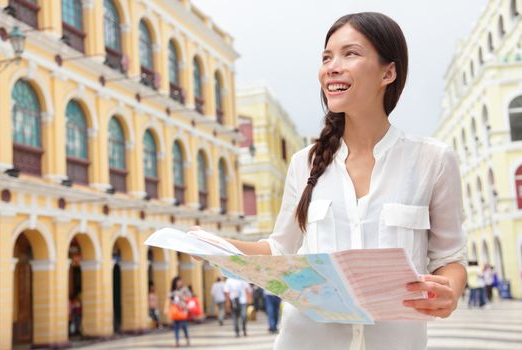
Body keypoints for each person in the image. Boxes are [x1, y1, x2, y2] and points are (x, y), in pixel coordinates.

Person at [198, 12, 468, 350]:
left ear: (389, 71)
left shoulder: (433, 160)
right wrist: (217, 247)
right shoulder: (304, 163)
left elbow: (449, 258)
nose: (332, 66)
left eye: (350, 54)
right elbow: (280, 248)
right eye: (327, 57)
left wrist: (449, 290)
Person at [170, 276, 191, 347]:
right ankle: (177, 342)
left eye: (180, 281)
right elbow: (169, 298)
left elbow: (189, 296)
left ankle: (187, 338)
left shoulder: (184, 289)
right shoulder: (172, 290)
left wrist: (182, 296)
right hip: (175, 310)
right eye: (178, 281)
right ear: (175, 282)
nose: (180, 283)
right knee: (176, 327)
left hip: (183, 310)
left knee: (184, 326)